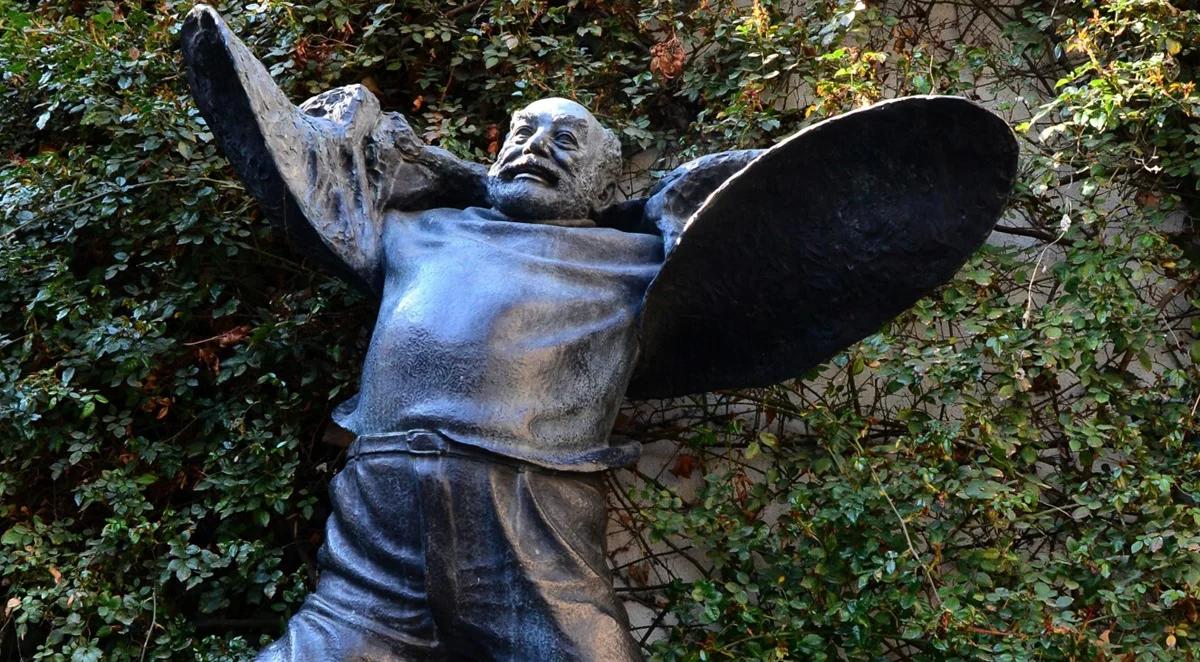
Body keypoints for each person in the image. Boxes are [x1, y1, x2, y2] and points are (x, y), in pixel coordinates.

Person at [181, 5, 1017, 660]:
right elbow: (313, 173)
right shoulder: (415, 228)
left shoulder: (640, 259)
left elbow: (762, 234)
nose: (534, 148)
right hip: (382, 504)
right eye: (522, 134)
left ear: (604, 179)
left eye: (564, 141)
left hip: (526, 508)